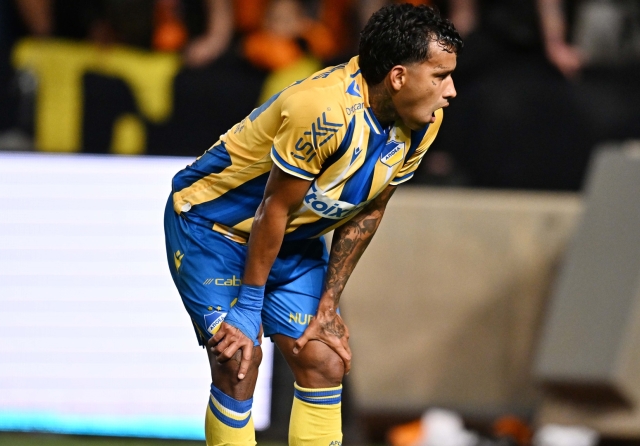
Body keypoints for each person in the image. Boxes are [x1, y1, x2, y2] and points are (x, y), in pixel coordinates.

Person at [163, 4, 462, 445]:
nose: (450, 91)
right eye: (440, 76)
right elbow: (273, 208)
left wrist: (328, 306)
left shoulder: (423, 121)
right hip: (212, 230)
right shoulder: (323, 111)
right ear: (398, 77)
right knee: (238, 360)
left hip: (291, 239)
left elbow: (369, 209)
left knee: (324, 361)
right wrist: (248, 307)